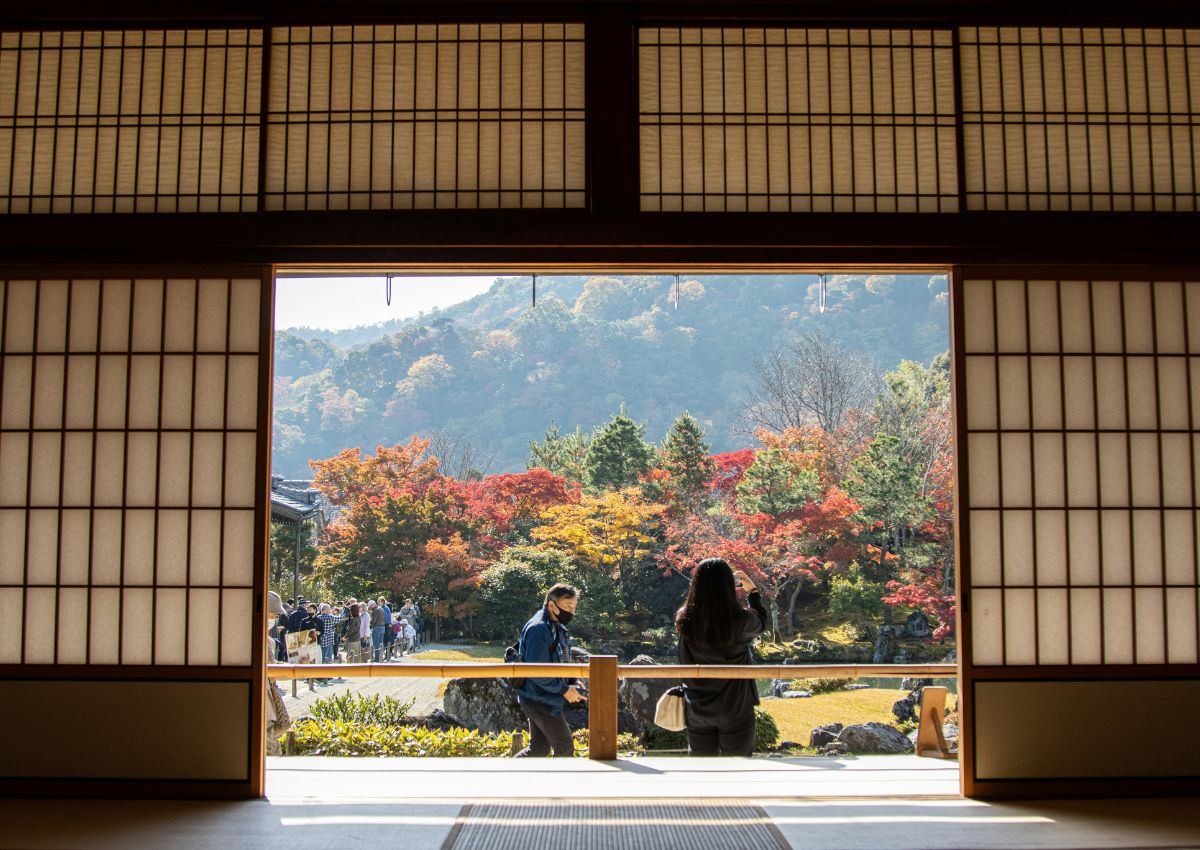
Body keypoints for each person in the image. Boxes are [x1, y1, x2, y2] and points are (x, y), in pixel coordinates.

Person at [674, 558, 768, 756]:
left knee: (702, 771)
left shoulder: (686, 620)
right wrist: (753, 593)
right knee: (738, 771)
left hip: (698, 708)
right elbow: (761, 622)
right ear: (728, 585)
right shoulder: (740, 620)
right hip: (736, 706)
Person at [514, 583, 585, 758]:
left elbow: (561, 658)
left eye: (574, 607)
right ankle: (557, 785)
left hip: (541, 695)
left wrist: (572, 681)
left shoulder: (555, 625)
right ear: (551, 605)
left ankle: (511, 777)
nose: (572, 612)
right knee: (565, 747)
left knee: (538, 749)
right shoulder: (539, 628)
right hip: (538, 696)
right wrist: (563, 689)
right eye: (568, 606)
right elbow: (536, 671)